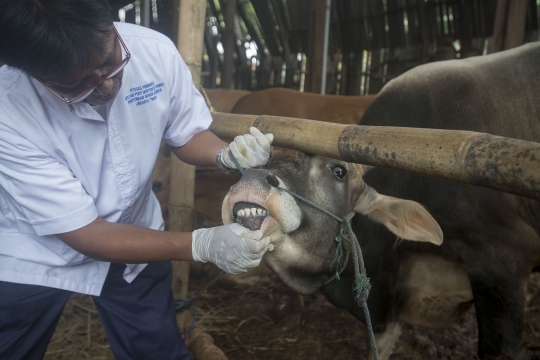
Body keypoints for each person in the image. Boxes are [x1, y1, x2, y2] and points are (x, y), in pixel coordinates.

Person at [0, 1, 273, 359]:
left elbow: (187, 133)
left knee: (156, 348)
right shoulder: (8, 109)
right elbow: (88, 234)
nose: (107, 84)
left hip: (137, 235)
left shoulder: (154, 51)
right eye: (79, 83)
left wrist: (224, 154)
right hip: (36, 251)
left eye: (109, 62)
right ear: (37, 75)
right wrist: (202, 244)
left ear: (110, 28)